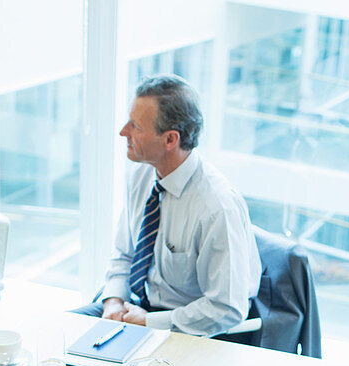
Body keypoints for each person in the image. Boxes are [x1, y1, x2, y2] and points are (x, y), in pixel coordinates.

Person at [76, 74, 260, 336]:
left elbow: (227, 308)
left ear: (170, 140)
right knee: (57, 335)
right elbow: (124, 255)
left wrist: (151, 323)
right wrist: (113, 302)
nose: (122, 132)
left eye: (135, 126)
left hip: (186, 329)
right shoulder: (142, 175)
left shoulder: (217, 208)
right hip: (134, 310)